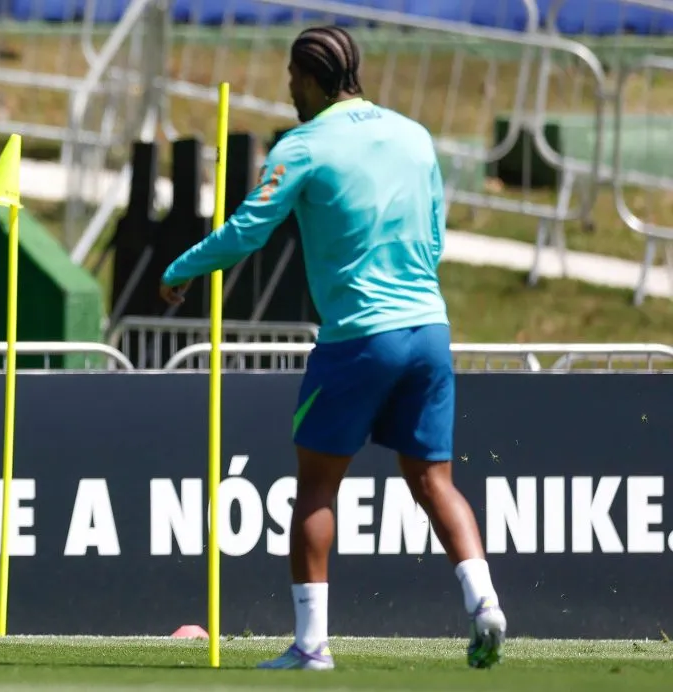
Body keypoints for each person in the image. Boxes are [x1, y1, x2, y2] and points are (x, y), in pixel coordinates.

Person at [160, 26, 506, 670]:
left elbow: (245, 232)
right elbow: (435, 234)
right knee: (434, 480)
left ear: (313, 78)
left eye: (293, 77)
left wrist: (179, 269)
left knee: (317, 486)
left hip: (358, 339)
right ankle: (485, 602)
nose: (288, 88)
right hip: (430, 329)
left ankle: (313, 645)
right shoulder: (414, 135)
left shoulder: (304, 145)